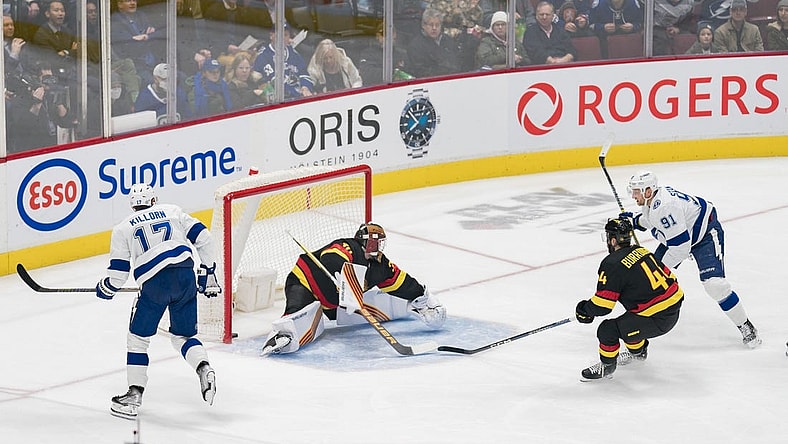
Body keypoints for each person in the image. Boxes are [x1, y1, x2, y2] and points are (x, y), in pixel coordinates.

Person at [96, 184, 219, 419]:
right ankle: (204, 368)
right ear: (154, 201)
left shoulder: (123, 228)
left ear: (133, 205)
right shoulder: (172, 210)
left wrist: (107, 287)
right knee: (183, 336)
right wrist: (208, 270)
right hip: (185, 276)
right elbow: (205, 238)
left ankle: (134, 395)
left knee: (138, 339)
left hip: (154, 285)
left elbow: (118, 274)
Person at [621, 170, 761, 348]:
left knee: (715, 285)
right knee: (648, 282)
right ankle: (637, 345)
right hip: (681, 236)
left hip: (705, 236)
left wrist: (658, 272)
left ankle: (745, 325)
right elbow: (653, 220)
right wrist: (634, 222)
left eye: (636, 191)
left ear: (648, 191)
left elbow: (680, 248)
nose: (633, 195)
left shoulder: (664, 206)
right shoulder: (653, 201)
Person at [261, 223, 447, 355]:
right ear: (363, 241)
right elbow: (331, 257)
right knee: (298, 309)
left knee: (353, 308)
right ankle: (282, 335)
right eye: (374, 242)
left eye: (380, 243)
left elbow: (400, 281)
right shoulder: (349, 246)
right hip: (305, 282)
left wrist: (421, 296)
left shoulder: (381, 266)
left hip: (334, 303)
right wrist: (345, 278)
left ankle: (411, 307)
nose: (377, 247)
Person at [575, 217, 684, 380]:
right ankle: (638, 354)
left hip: (658, 318)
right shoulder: (642, 250)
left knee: (608, 330)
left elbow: (603, 306)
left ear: (612, 240)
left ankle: (607, 366)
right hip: (673, 309)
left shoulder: (612, 263)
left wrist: (584, 310)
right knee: (631, 317)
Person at [111, 0, 165, 85]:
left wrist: (147, 37)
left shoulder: (141, 16)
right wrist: (134, 39)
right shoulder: (114, 20)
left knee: (179, 78)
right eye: (128, 1)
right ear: (120, 4)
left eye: (134, 0)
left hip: (153, 62)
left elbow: (159, 33)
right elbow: (127, 44)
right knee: (152, 83)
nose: (133, 3)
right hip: (136, 66)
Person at [252, 25, 313, 99]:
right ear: (271, 36)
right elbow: (274, 82)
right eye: (279, 35)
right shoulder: (263, 56)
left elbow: (304, 74)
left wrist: (305, 87)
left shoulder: (293, 53)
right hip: (280, 99)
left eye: (285, 35)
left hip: (300, 95)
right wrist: (295, 93)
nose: (282, 38)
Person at [407, 8, 463, 77]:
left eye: (437, 25)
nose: (434, 28)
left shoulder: (448, 40)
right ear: (423, 25)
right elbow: (421, 71)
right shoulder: (415, 46)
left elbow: (457, 62)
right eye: (431, 25)